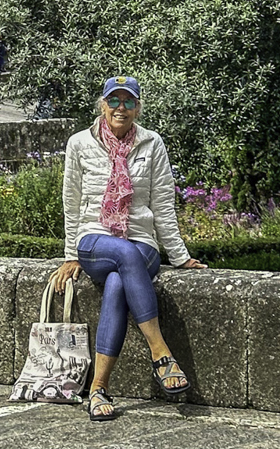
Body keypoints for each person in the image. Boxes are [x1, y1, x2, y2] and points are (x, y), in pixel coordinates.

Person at [54, 75, 207, 423]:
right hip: (94, 239)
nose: (120, 108)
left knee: (117, 283)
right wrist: (70, 255)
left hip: (141, 240)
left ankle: (98, 390)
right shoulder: (80, 143)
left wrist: (180, 257)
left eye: (128, 102)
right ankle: (160, 351)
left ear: (137, 108)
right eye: (114, 100)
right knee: (124, 254)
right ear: (102, 105)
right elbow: (71, 203)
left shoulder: (152, 144)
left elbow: (163, 205)